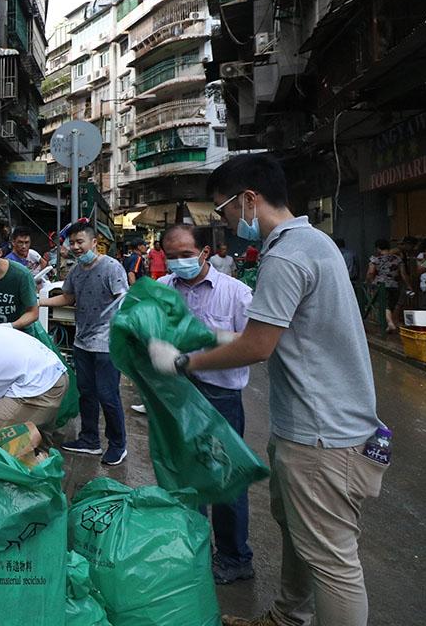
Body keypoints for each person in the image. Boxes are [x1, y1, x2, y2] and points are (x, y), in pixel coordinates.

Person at [148, 153, 386, 626]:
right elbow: (275, 331)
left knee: (333, 562)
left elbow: (257, 345)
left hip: (323, 436)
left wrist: (183, 361)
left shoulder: (286, 255)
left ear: (250, 199)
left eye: (225, 209)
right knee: (301, 538)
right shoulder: (313, 243)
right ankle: (286, 618)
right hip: (314, 427)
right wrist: (207, 339)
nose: (226, 221)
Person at [156, 224, 256, 584]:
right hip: (176, 396)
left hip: (220, 398)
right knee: (184, 480)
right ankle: (195, 552)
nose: (179, 262)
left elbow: (254, 347)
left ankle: (234, 557)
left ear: (204, 252)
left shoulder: (236, 294)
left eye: (186, 254)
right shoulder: (162, 291)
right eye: (172, 256)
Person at [40, 222, 129, 466]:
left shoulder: (112, 267)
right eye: (73, 243)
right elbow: (68, 297)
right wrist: (38, 302)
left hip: (107, 344)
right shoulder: (76, 272)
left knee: (108, 395)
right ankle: (89, 440)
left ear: (93, 242)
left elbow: (124, 300)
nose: (76, 247)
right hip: (82, 342)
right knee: (86, 393)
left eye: (81, 242)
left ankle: (118, 444)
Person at [367, 239, 405, 334]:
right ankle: (389, 324)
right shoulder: (398, 259)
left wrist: (371, 281)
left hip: (381, 285)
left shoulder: (375, 259)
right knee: (392, 305)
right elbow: (403, 274)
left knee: (384, 305)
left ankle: (390, 323)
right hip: (395, 284)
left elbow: (371, 272)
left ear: (378, 248)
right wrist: (408, 285)